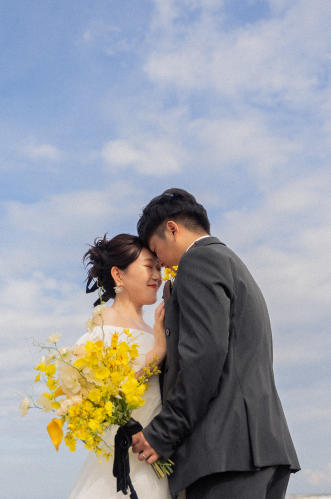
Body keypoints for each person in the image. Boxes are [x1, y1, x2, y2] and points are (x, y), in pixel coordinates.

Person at [130, 189, 300, 499]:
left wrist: (163, 433)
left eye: (157, 251)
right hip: (261, 449)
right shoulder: (231, 263)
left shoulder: (198, 261)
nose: (161, 263)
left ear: (172, 229)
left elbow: (204, 356)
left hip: (227, 455)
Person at [67, 233, 172, 499]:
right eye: (149, 266)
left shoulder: (154, 327)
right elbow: (105, 397)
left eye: (159, 267)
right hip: (123, 459)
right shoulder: (105, 321)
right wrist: (158, 352)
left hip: (153, 457)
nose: (158, 275)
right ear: (119, 275)